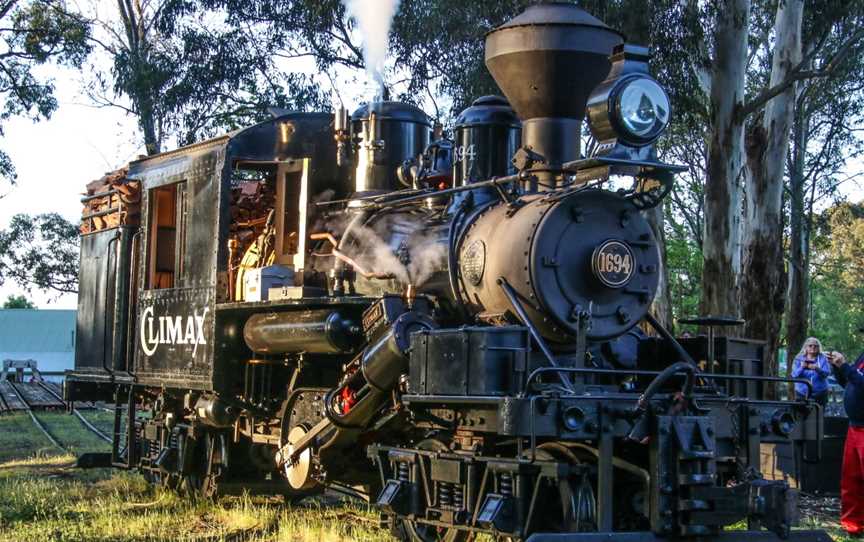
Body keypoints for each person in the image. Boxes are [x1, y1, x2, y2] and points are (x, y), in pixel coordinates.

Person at [828, 349, 864, 537]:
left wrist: (845, 366)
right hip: (855, 427)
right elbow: (851, 383)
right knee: (851, 480)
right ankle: (853, 526)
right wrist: (837, 369)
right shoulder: (862, 357)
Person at [790, 337, 832, 406]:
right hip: (802, 393)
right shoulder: (798, 358)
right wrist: (802, 367)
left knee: (819, 414)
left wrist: (817, 368)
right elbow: (794, 375)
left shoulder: (823, 358)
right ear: (806, 347)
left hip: (820, 393)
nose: (813, 347)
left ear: (819, 348)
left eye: (816, 346)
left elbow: (826, 373)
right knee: (802, 414)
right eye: (810, 345)